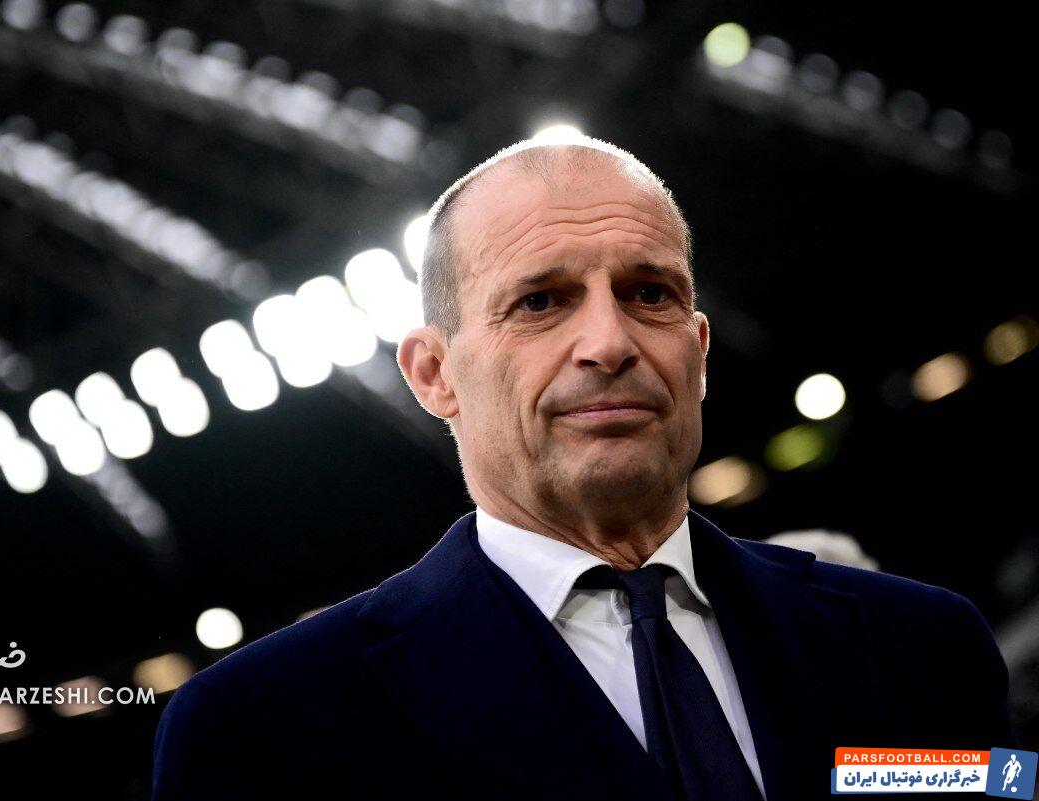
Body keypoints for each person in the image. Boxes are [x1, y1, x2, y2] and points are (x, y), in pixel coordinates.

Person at [151, 137, 1016, 800]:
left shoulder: (924, 645)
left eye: (649, 294)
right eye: (540, 301)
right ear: (434, 373)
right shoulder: (262, 725)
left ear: (698, 352)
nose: (609, 342)